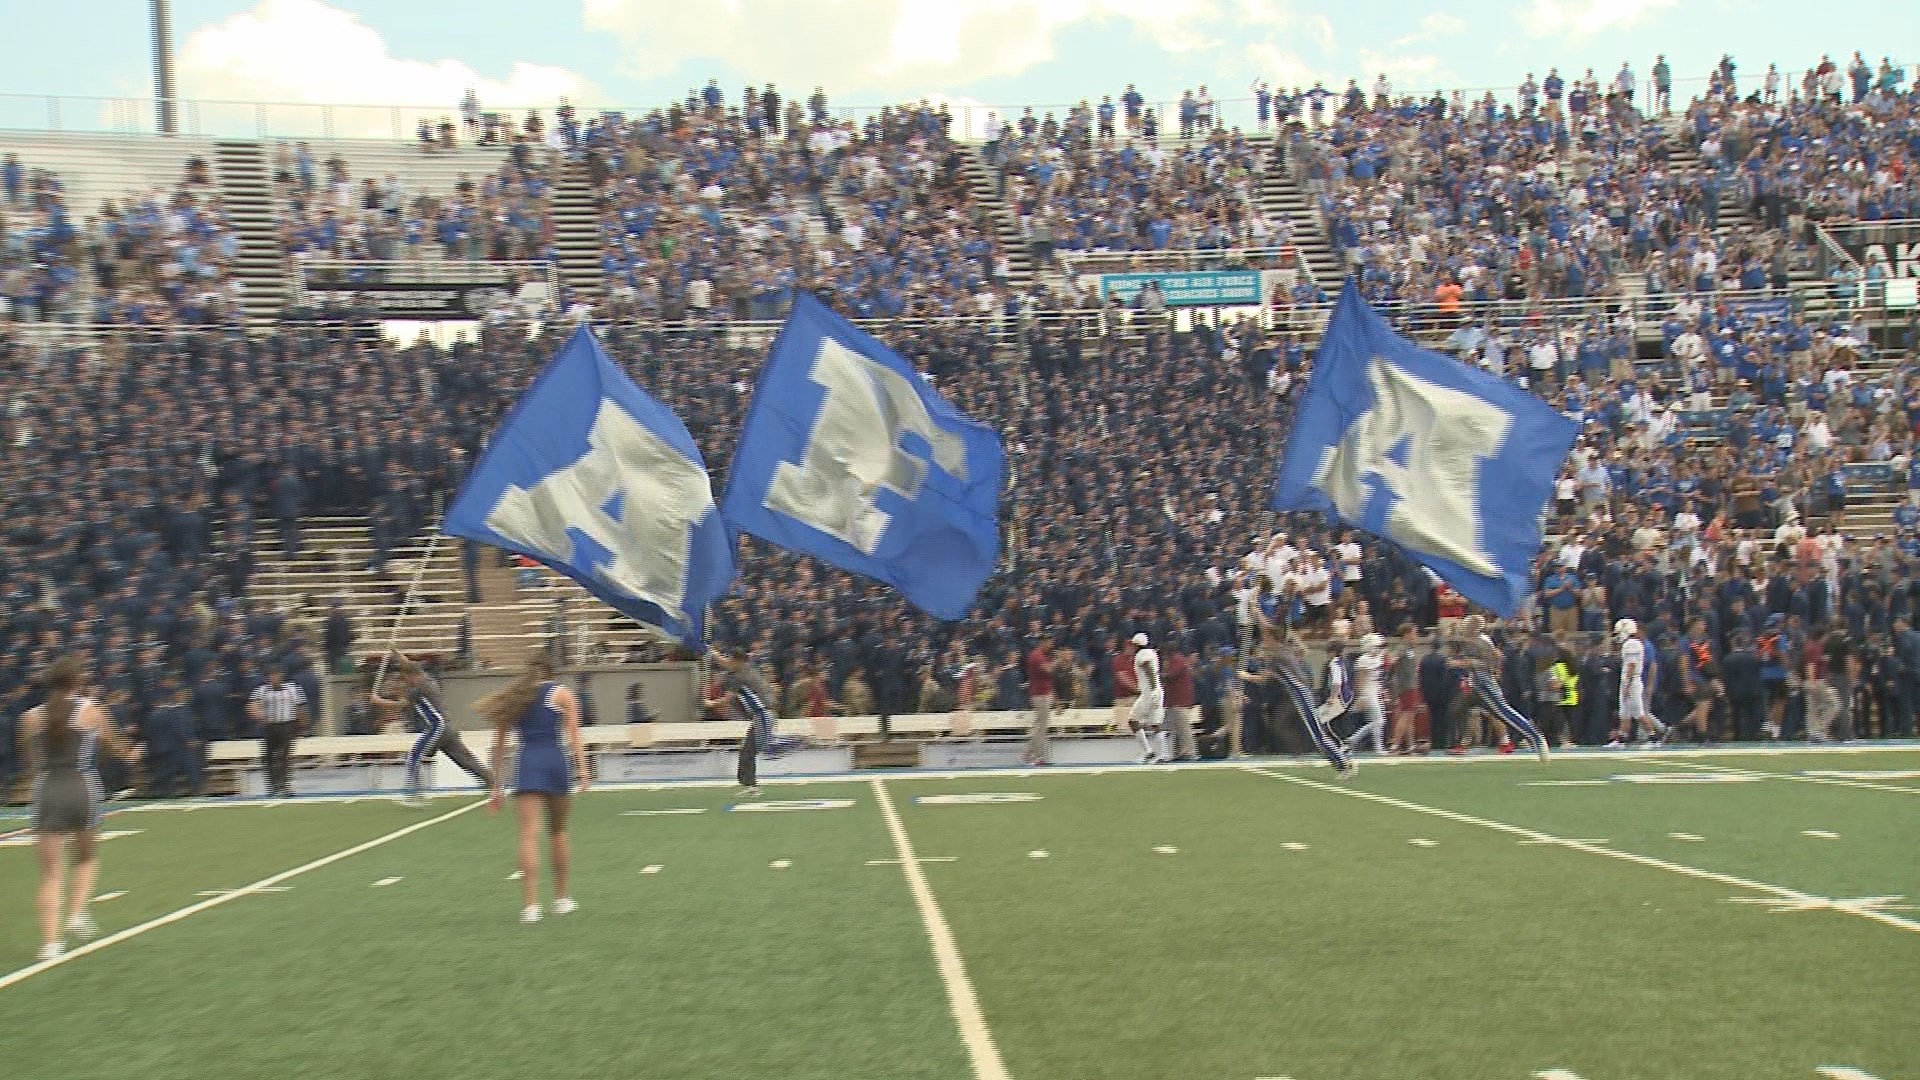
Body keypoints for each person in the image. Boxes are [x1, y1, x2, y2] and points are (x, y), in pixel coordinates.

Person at [20, 655, 140, 961]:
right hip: (82, 788)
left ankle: (50, 944)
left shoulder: (30, 718)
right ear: (77, 682)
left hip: (46, 789)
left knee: (49, 874)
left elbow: (31, 761)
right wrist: (131, 754)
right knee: (85, 858)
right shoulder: (91, 711)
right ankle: (75, 913)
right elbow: (115, 746)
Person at [480, 655, 587, 925]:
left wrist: (496, 785)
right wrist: (583, 770)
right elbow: (574, 734)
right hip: (554, 761)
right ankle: (561, 900)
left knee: (528, 835)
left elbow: (499, 744)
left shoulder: (515, 697)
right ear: (552, 672)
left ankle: (530, 907)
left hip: (527, 762)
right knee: (559, 832)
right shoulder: (562, 694)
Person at [371, 652, 493, 806]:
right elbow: (409, 665)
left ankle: (414, 795)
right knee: (464, 759)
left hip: (437, 727)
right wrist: (397, 653)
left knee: (413, 757)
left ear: (411, 676)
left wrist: (378, 701)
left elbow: (402, 704)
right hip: (447, 727)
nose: (405, 681)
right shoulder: (427, 679)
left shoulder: (416, 689)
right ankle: (491, 782)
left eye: (405, 677)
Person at [1452, 617, 1551, 761]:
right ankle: (1463, 742)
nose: (1464, 628)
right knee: (1460, 709)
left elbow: (1489, 664)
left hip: (1485, 684)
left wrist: (1465, 663)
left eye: (1467, 625)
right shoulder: (1474, 642)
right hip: (1477, 684)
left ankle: (1535, 737)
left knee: (1505, 713)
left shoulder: (1482, 641)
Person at [711, 649, 779, 796]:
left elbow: (726, 700)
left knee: (751, 750)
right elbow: (726, 662)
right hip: (767, 714)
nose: (728, 662)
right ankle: (750, 785)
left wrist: (709, 704)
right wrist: (711, 651)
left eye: (731, 660)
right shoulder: (749, 668)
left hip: (762, 715)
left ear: (737, 660)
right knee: (749, 750)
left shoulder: (737, 677)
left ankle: (751, 786)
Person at [247, 667, 308, 798]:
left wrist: (302, 725)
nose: (274, 678)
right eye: (271, 675)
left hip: (287, 726)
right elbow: (252, 705)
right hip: (270, 727)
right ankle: (273, 786)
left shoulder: (293, 688)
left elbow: (300, 706)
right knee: (268, 758)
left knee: (284, 756)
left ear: (281, 675)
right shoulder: (262, 690)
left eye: (276, 674)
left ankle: (284, 786)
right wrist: (259, 716)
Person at [1610, 619, 1667, 747]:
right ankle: (1621, 740)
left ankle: (1654, 738)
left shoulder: (1632, 644)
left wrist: (1627, 685)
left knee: (1639, 713)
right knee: (1624, 713)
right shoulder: (1630, 643)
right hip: (1628, 681)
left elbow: (1631, 666)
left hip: (1632, 682)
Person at [1342, 633, 1388, 755]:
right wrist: (1361, 696)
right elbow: (1360, 680)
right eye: (1378, 646)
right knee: (1378, 721)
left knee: (1378, 721)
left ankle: (1357, 741)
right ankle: (1361, 742)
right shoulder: (1364, 660)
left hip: (1374, 692)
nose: (1380, 649)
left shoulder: (1375, 659)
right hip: (1368, 693)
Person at [1128, 633, 1168, 764]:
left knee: (1133, 720)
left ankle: (1148, 751)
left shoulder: (1142, 654)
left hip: (1149, 693)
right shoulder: (1151, 652)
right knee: (1155, 724)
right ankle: (1162, 754)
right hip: (1155, 692)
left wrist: (1153, 689)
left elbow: (1149, 670)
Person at [1024, 636, 1056, 766]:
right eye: (1049, 642)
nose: (1051, 645)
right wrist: (1057, 661)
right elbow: (1048, 670)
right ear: (1043, 642)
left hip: (1043, 694)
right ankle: (1037, 757)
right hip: (1040, 695)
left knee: (1040, 726)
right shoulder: (1037, 656)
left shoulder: (1041, 655)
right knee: (1041, 727)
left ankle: (1028, 753)